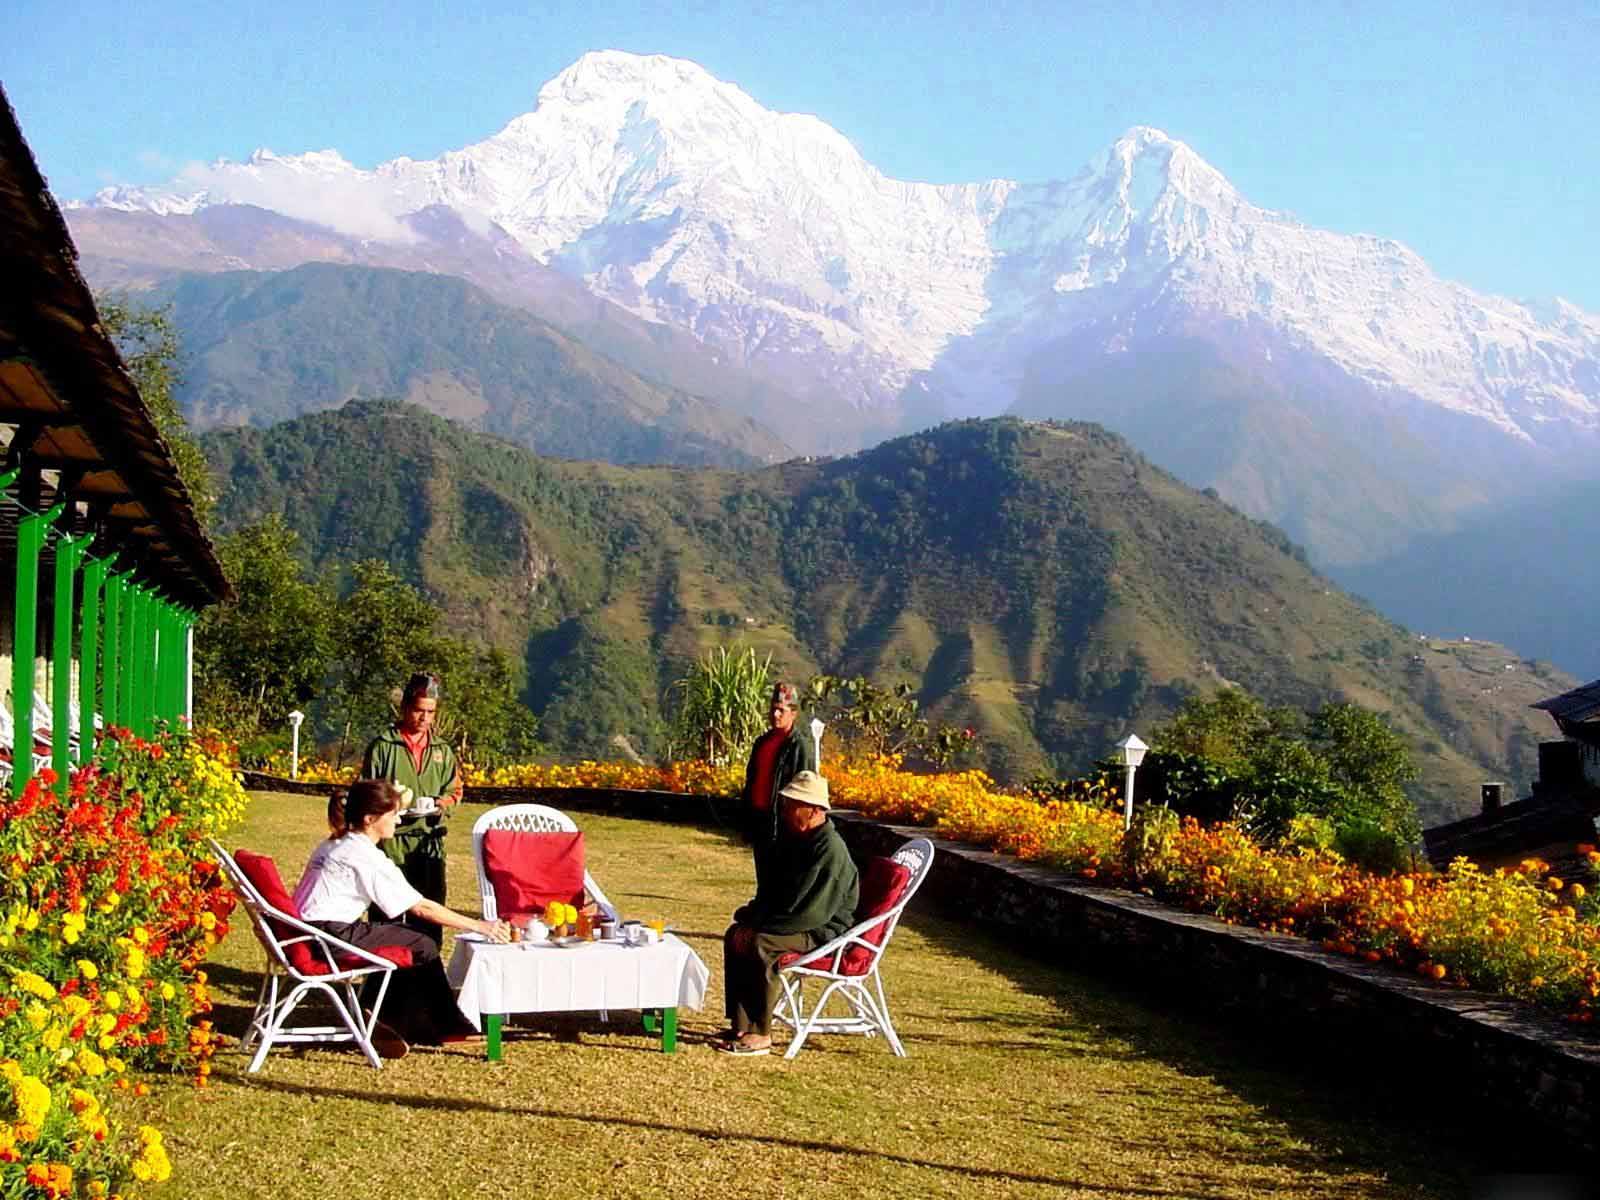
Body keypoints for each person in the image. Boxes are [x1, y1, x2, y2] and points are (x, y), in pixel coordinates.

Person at [294, 779, 510, 1058]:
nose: (399, 819)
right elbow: (422, 908)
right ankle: (448, 1027)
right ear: (370, 819)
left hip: (308, 932)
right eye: (393, 814)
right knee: (423, 944)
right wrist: (481, 926)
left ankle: (393, 1015)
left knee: (403, 938)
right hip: (328, 938)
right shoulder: (365, 856)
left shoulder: (334, 843)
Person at [719, 770, 859, 1057]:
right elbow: (777, 892)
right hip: (796, 921)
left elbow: (810, 914)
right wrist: (751, 917)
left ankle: (761, 1032)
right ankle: (741, 1025)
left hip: (821, 931)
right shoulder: (800, 840)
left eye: (793, 805)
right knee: (736, 935)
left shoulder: (829, 851)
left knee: (762, 943)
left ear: (815, 810)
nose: (785, 811)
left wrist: (760, 925)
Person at [362, 672, 463, 943]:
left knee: (429, 917)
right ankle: (383, 969)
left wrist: (441, 804)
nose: (424, 718)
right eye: (419, 711)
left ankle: (426, 967)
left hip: (429, 843)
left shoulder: (442, 750)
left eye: (431, 712)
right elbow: (365, 792)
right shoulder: (383, 747)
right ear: (406, 707)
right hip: (390, 843)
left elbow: (455, 791)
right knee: (386, 916)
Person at [740, 682, 818, 851]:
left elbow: (806, 791)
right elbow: (751, 780)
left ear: (793, 714)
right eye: (773, 709)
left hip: (784, 826)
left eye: (781, 710)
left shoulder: (799, 747)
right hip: (759, 820)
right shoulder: (761, 743)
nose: (775, 714)